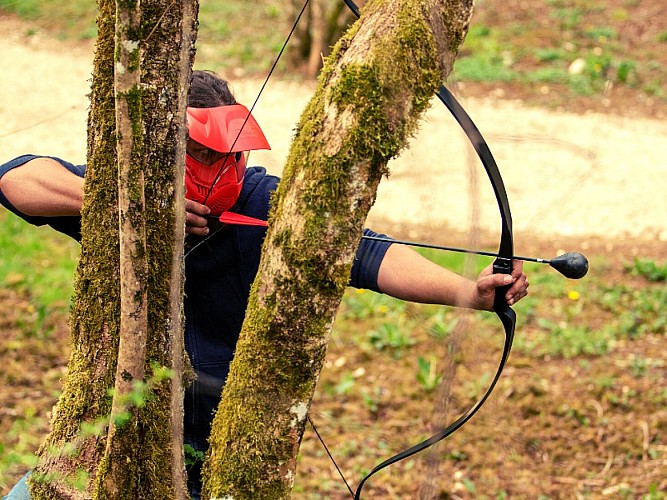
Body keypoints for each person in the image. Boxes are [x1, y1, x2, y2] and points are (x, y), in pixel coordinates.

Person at [0, 70, 528, 498]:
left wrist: (467, 291)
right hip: (120, 430)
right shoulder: (124, 195)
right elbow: (16, 176)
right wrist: (129, 205)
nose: (221, 169)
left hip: (223, 440)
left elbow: (366, 252)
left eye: (232, 155)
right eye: (203, 154)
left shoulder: (264, 202)